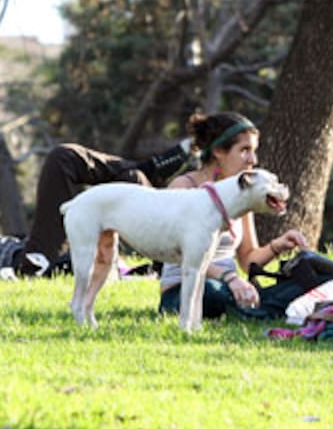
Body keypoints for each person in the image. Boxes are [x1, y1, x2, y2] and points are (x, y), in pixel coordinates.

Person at [158, 111, 311, 320]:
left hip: (231, 288)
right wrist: (230, 278)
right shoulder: (184, 188)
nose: (253, 160)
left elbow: (248, 260)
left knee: (307, 282)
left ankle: (255, 308)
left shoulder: (242, 194)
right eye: (245, 150)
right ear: (219, 150)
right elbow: (179, 253)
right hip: (185, 290)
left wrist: (278, 246)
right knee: (214, 293)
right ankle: (258, 310)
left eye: (254, 151)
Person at [17, 140, 193, 275]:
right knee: (133, 176)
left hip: (76, 251)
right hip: (46, 256)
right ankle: (148, 168)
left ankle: (147, 168)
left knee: (63, 156)